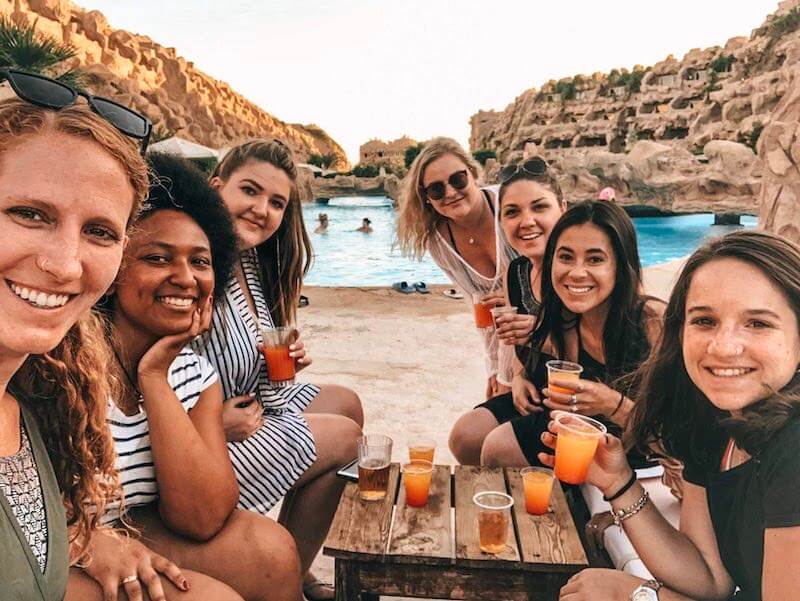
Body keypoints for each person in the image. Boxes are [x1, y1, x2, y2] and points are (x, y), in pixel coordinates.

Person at [77, 153, 301, 601]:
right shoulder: (68, 358)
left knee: (273, 551)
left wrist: (156, 375)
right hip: (56, 539)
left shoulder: (192, 371)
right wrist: (84, 541)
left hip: (131, 520)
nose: (185, 278)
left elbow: (202, 518)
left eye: (200, 262)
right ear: (115, 267)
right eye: (159, 258)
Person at [0, 83, 191, 600]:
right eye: (28, 214)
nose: (64, 264)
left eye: (100, 232)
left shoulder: (35, 404)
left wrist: (84, 537)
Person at [549, 230, 800, 601]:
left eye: (758, 323)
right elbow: (708, 577)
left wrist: (638, 596)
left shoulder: (793, 448)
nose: (723, 346)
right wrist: (618, 482)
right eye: (704, 321)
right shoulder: (714, 420)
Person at [196, 139, 363, 601]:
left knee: (346, 402)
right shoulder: (195, 263)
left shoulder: (248, 262)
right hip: (204, 441)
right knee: (346, 438)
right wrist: (211, 422)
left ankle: (298, 563)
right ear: (216, 188)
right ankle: (287, 568)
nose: (262, 210)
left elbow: (254, 361)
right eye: (249, 191)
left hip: (251, 408)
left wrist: (288, 357)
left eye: (276, 203)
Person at [478, 200, 664, 468]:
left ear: (621, 266)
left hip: (647, 463)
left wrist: (610, 402)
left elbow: (678, 437)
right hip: (586, 446)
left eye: (595, 259)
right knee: (496, 447)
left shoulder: (653, 323)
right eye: (565, 257)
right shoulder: (563, 321)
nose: (576, 273)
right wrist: (519, 377)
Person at [448, 157, 565, 464]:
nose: (526, 221)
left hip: (579, 399)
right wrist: (520, 377)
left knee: (497, 449)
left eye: (539, 207)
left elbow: (607, 349)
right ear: (501, 222)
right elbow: (520, 350)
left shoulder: (575, 270)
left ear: (562, 209)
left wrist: (539, 334)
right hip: (536, 394)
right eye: (512, 212)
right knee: (464, 438)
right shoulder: (516, 272)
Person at [397, 137, 517, 398]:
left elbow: (522, 299)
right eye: (436, 190)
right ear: (426, 198)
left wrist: (507, 377)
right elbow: (483, 311)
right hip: (511, 340)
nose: (450, 193)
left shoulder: (510, 208)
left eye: (458, 179)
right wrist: (494, 369)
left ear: (473, 174)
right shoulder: (439, 241)